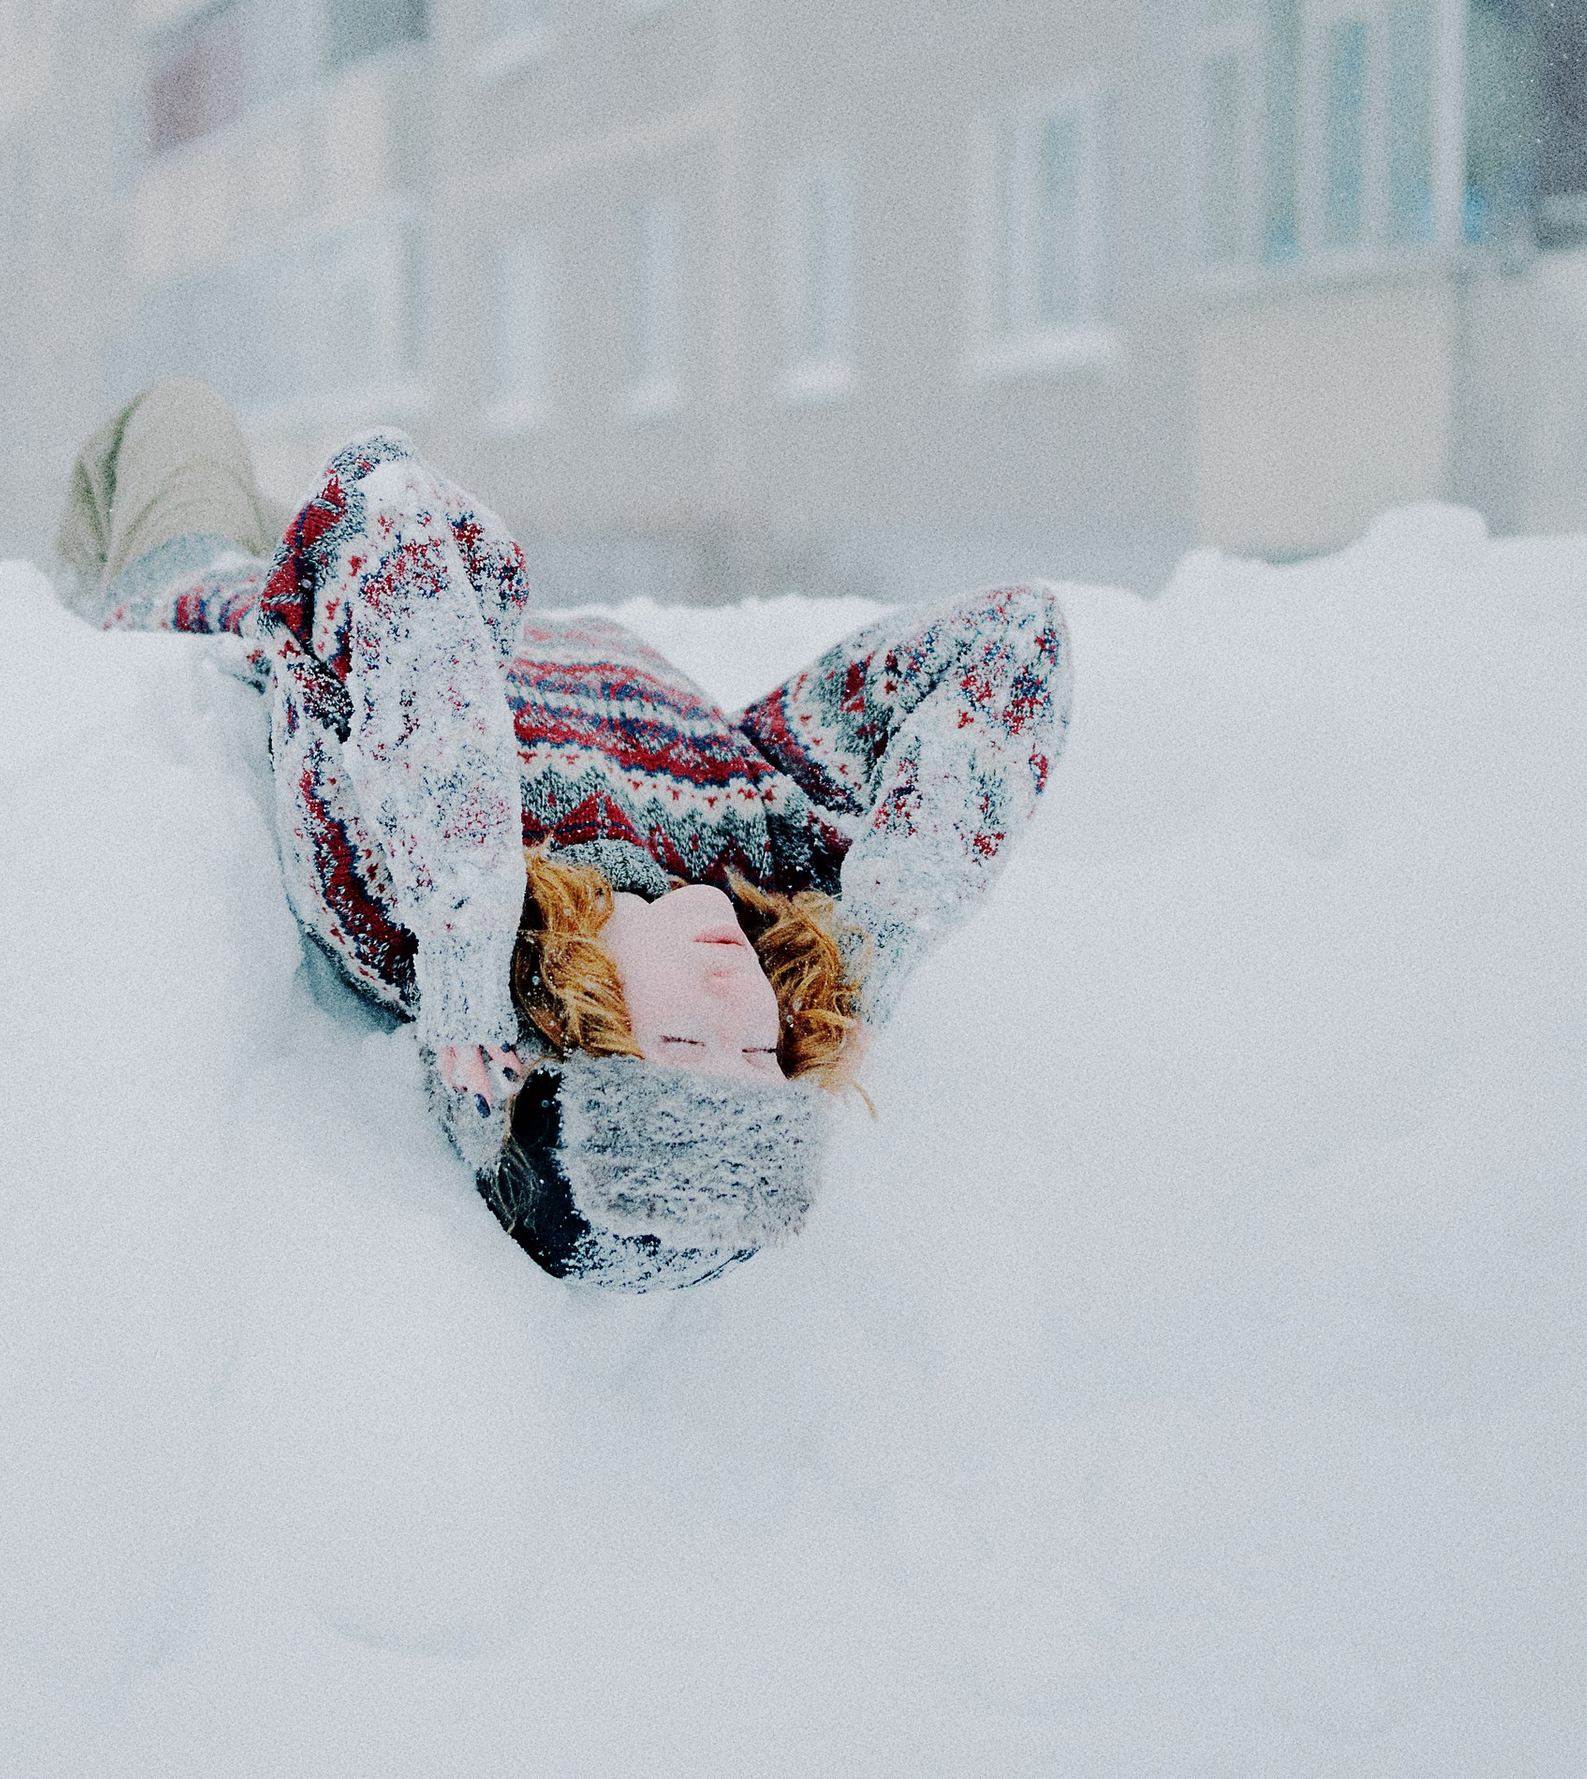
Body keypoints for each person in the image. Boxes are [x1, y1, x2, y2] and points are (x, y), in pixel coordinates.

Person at [60, 382, 1072, 1290]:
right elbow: (1013, 641)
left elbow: (387, 504)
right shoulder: (768, 857)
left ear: (568, 1032)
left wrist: (467, 927)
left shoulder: (409, 903)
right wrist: (879, 947)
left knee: (178, 416)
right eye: (762, 1058)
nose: (736, 1002)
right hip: (366, 568)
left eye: (684, 1043)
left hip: (237, 597)